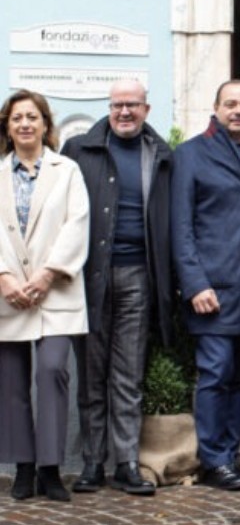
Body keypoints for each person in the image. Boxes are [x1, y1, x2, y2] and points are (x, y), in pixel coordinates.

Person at [61, 80, 172, 496]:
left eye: (132, 105)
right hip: (89, 277)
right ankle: (92, 462)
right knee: (91, 374)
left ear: (147, 108)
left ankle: (125, 463)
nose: (124, 112)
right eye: (116, 105)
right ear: (108, 108)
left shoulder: (160, 154)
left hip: (139, 275)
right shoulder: (79, 149)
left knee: (128, 373)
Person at [171, 79, 240, 491]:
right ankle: (213, 460)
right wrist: (195, 283)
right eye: (230, 104)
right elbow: (180, 228)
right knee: (215, 372)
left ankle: (229, 456)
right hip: (212, 290)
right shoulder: (191, 155)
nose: (238, 110)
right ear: (215, 107)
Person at [0, 90, 89, 502]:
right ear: (7, 126)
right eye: (16, 118)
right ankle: (23, 467)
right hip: (8, 293)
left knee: (52, 371)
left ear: (44, 123)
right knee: (11, 382)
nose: (24, 124)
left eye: (32, 117)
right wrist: (4, 278)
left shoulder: (66, 170)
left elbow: (77, 223)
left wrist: (48, 274)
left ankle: (50, 468)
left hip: (55, 289)